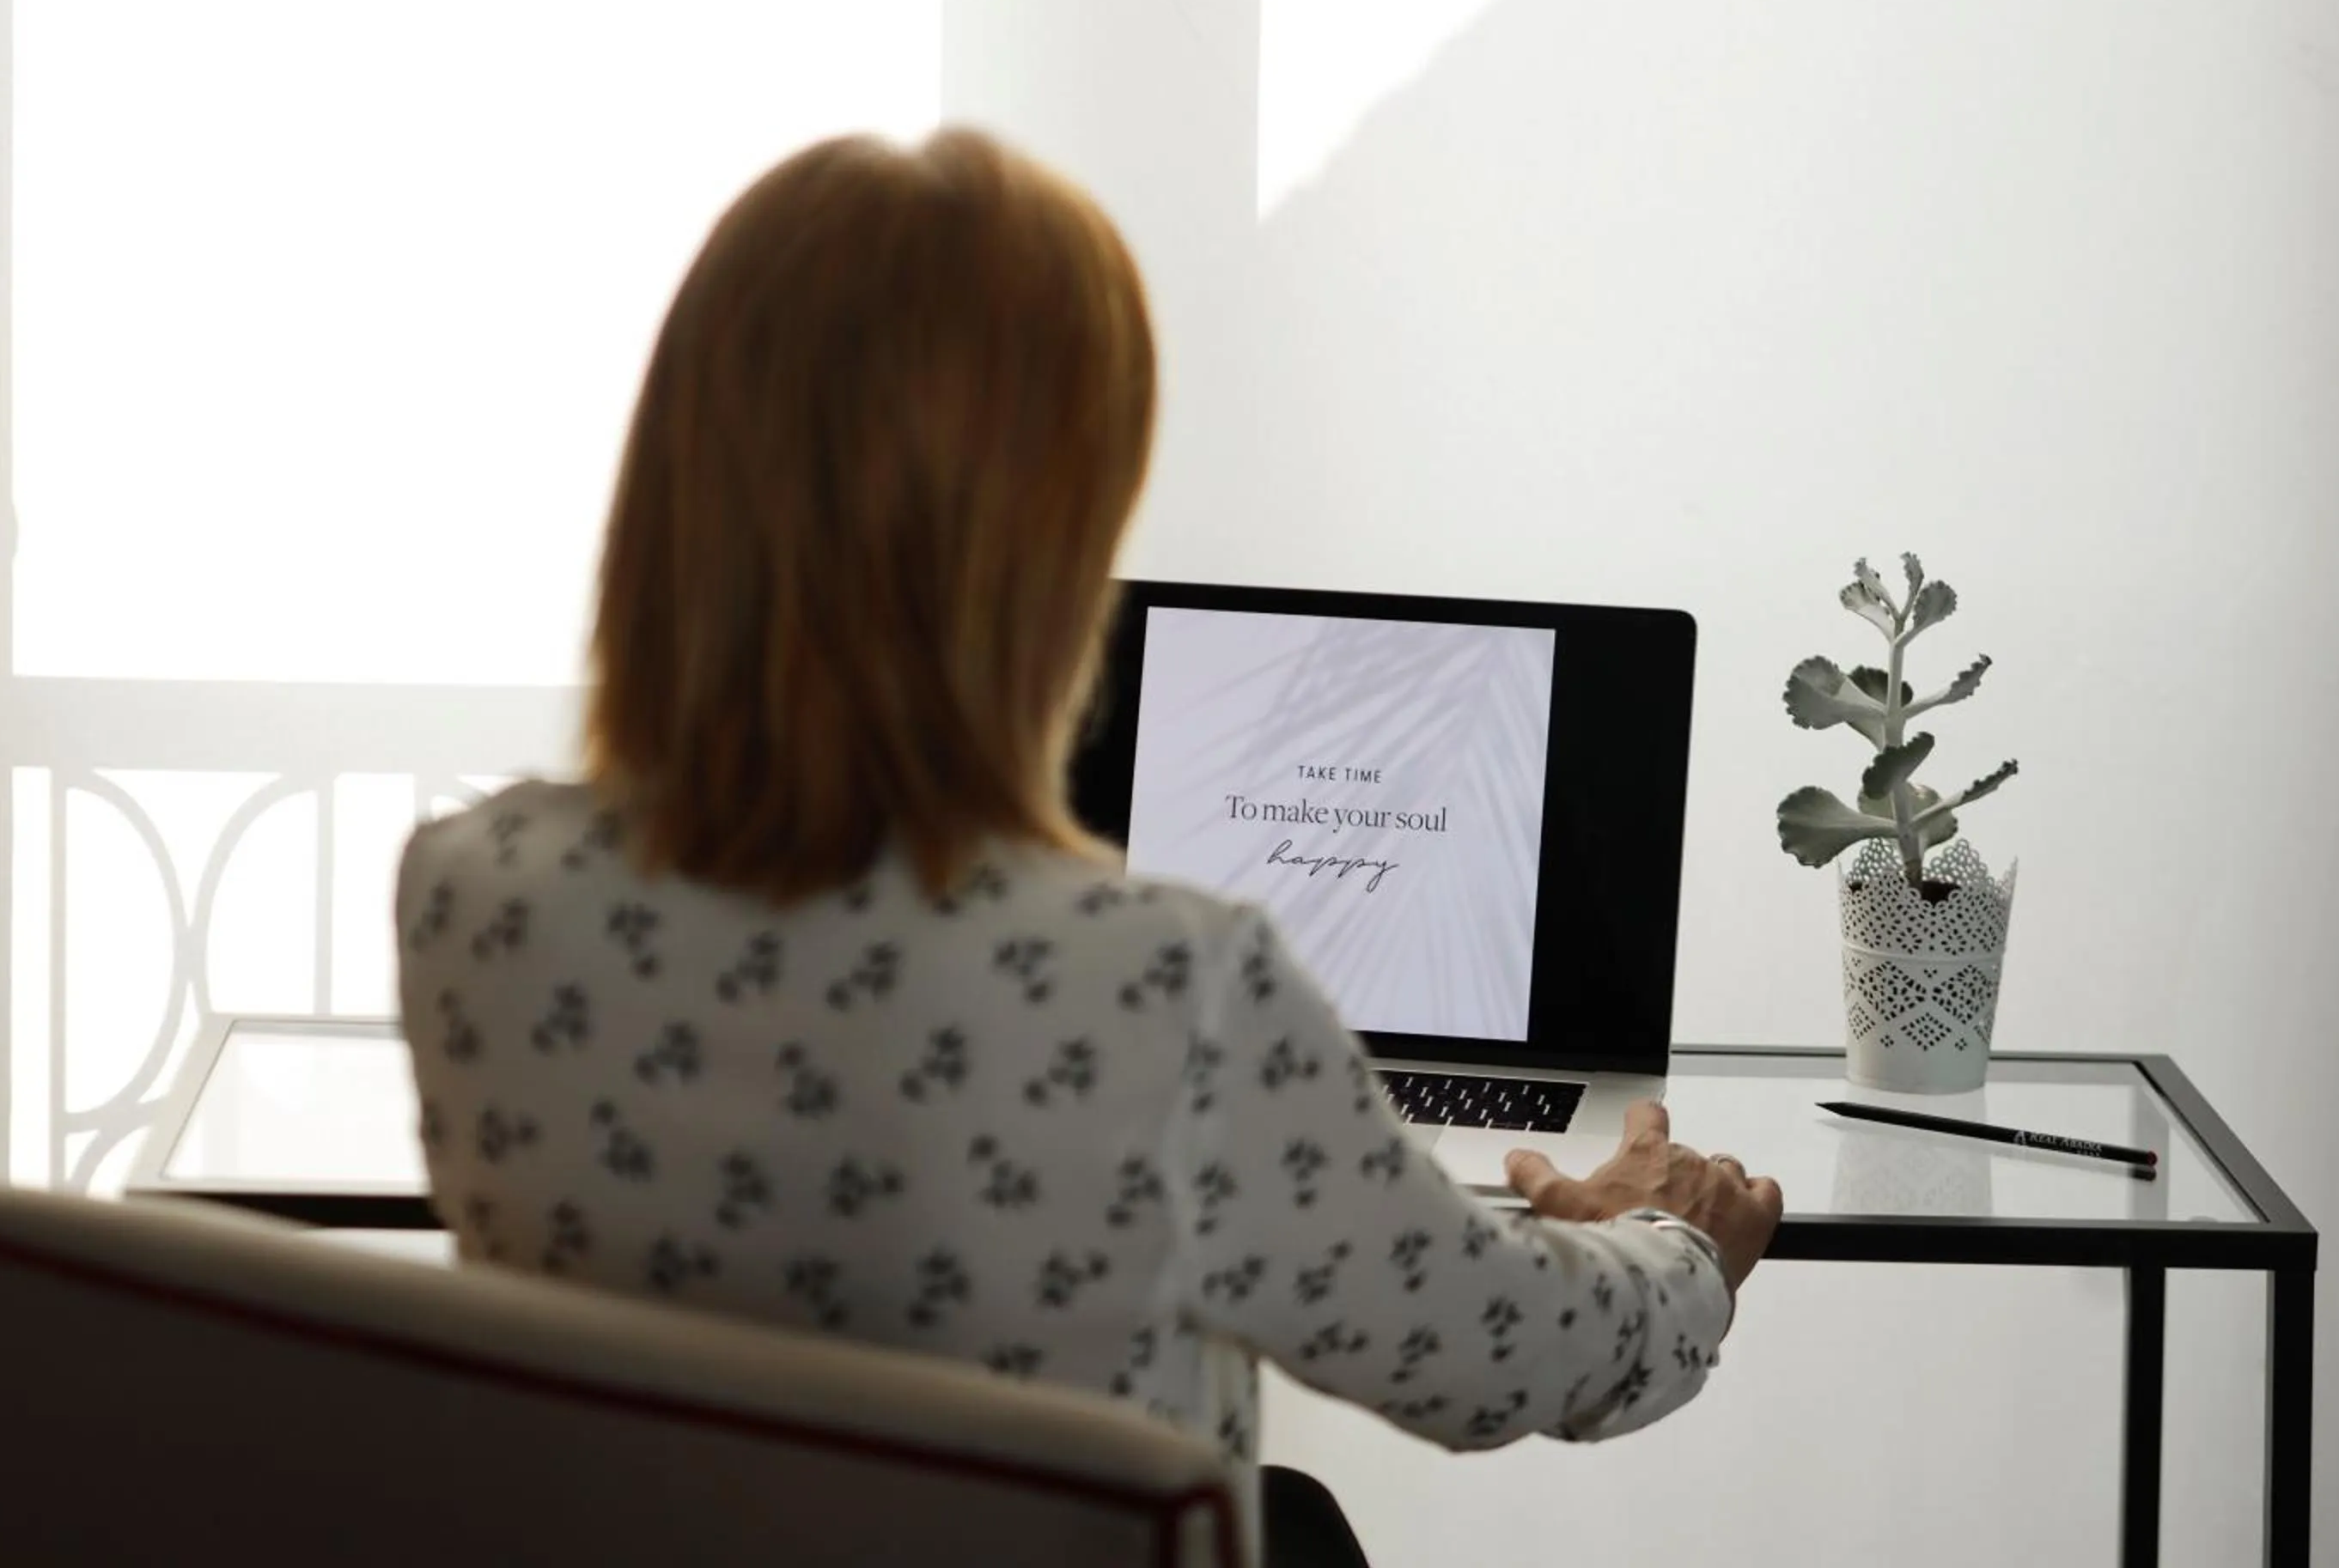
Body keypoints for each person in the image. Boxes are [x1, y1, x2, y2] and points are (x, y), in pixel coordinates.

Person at [396, 130, 1782, 1565]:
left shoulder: (471, 899)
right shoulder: (1163, 986)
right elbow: (1502, 1355)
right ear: (1042, 543)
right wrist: (1670, 1242)